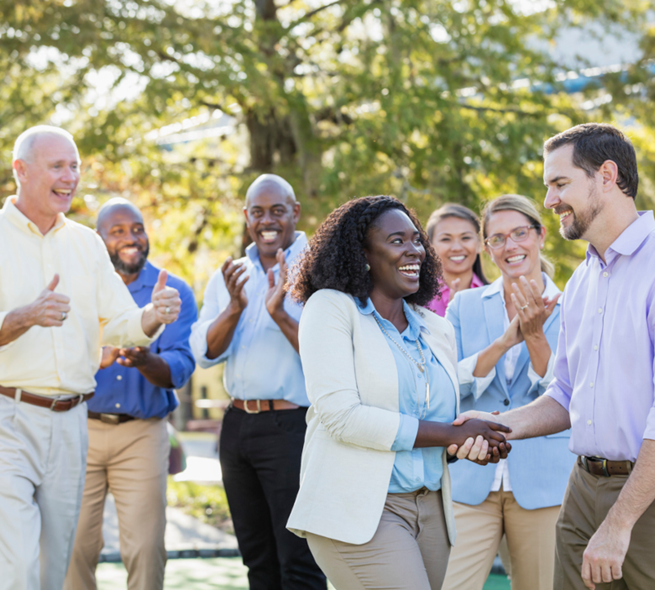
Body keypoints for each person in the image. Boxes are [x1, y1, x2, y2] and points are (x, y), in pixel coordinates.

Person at [455, 123, 655, 590]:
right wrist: (499, 424)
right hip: (582, 490)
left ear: (606, 175)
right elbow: (565, 393)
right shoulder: (584, 280)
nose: (549, 201)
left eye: (559, 184)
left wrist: (619, 523)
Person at [285, 195, 511, 590]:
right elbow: (342, 416)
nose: (414, 251)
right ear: (363, 254)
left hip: (431, 511)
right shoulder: (332, 309)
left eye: (416, 240)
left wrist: (470, 437)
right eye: (396, 241)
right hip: (360, 510)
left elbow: (439, 417)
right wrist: (450, 435)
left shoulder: (435, 327)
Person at [0, 125, 181, 590]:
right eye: (57, 166)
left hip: (71, 423)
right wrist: (22, 317)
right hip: (8, 419)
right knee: (17, 562)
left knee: (56, 562)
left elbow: (122, 322)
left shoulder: (86, 244)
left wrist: (152, 315)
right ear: (20, 170)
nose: (70, 176)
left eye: (75, 166)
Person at [189, 174, 326, 590]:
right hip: (237, 428)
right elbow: (205, 352)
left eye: (277, 211)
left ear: (295, 213)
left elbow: (328, 358)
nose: (267, 221)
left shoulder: (320, 270)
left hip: (292, 428)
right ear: (247, 217)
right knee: (256, 559)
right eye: (258, 212)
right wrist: (233, 308)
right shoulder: (230, 274)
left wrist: (280, 311)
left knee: (299, 560)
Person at [441, 194, 573, 590]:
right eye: (497, 238)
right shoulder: (463, 306)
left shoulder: (573, 306)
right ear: (488, 249)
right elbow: (451, 384)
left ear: (541, 235)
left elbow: (566, 394)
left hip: (544, 481)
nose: (510, 246)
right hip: (471, 478)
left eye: (520, 233)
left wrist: (534, 338)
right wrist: (502, 342)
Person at [64, 199, 198, 590]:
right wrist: (95, 357)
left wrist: (142, 358)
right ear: (98, 239)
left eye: (137, 229)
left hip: (142, 433)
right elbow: (58, 357)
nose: (131, 238)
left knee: (145, 547)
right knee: (74, 549)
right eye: (118, 231)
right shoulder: (76, 285)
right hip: (80, 430)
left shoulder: (172, 291)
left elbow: (179, 368)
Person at [425, 203, 488, 316]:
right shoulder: (416, 300)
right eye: (446, 239)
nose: (457, 248)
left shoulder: (496, 295)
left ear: (479, 244)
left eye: (466, 238)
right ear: (430, 247)